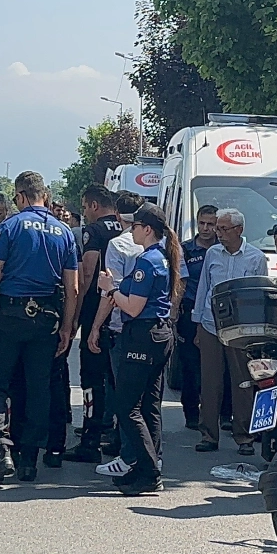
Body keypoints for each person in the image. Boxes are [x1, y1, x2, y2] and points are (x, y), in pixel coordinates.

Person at [0, 170, 79, 485]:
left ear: (19, 197)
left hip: (11, 316)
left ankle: (1, 449)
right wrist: (67, 329)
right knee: (38, 388)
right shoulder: (64, 232)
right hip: (46, 318)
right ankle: (29, 461)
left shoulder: (11, 226)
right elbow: (72, 289)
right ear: (44, 195)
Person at [94, 203, 182, 495]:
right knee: (148, 406)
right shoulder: (160, 258)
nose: (130, 230)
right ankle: (147, 467)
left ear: (147, 229)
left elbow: (133, 305)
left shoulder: (148, 262)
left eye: (135, 226)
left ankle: (148, 470)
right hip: (157, 334)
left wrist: (110, 288)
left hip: (143, 336)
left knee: (127, 405)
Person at [190, 208, 268, 454]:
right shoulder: (213, 253)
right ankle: (208, 435)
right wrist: (197, 323)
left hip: (241, 331)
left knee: (243, 382)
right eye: (217, 228)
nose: (218, 233)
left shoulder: (256, 258)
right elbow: (204, 288)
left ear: (239, 230)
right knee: (210, 382)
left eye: (223, 229)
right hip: (211, 325)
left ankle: (244, 436)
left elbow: (260, 298)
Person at [88, 191, 145, 476]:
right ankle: (148, 455)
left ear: (119, 216)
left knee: (123, 395)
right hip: (153, 330)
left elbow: (109, 292)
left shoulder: (118, 245)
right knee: (147, 400)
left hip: (122, 327)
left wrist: (96, 326)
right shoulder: (162, 247)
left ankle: (127, 454)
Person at [67, 185, 123, 463]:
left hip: (94, 310)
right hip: (121, 311)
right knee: (116, 378)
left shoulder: (95, 231)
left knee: (91, 379)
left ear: (92, 205)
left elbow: (88, 270)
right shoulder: (126, 228)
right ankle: (117, 435)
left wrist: (75, 311)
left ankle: (90, 438)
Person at [175, 205, 220, 431]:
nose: (205, 228)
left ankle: (219, 413)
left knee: (215, 367)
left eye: (210, 224)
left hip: (217, 315)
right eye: (202, 223)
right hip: (190, 312)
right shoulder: (185, 250)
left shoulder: (223, 250)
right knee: (190, 367)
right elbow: (178, 282)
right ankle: (191, 413)